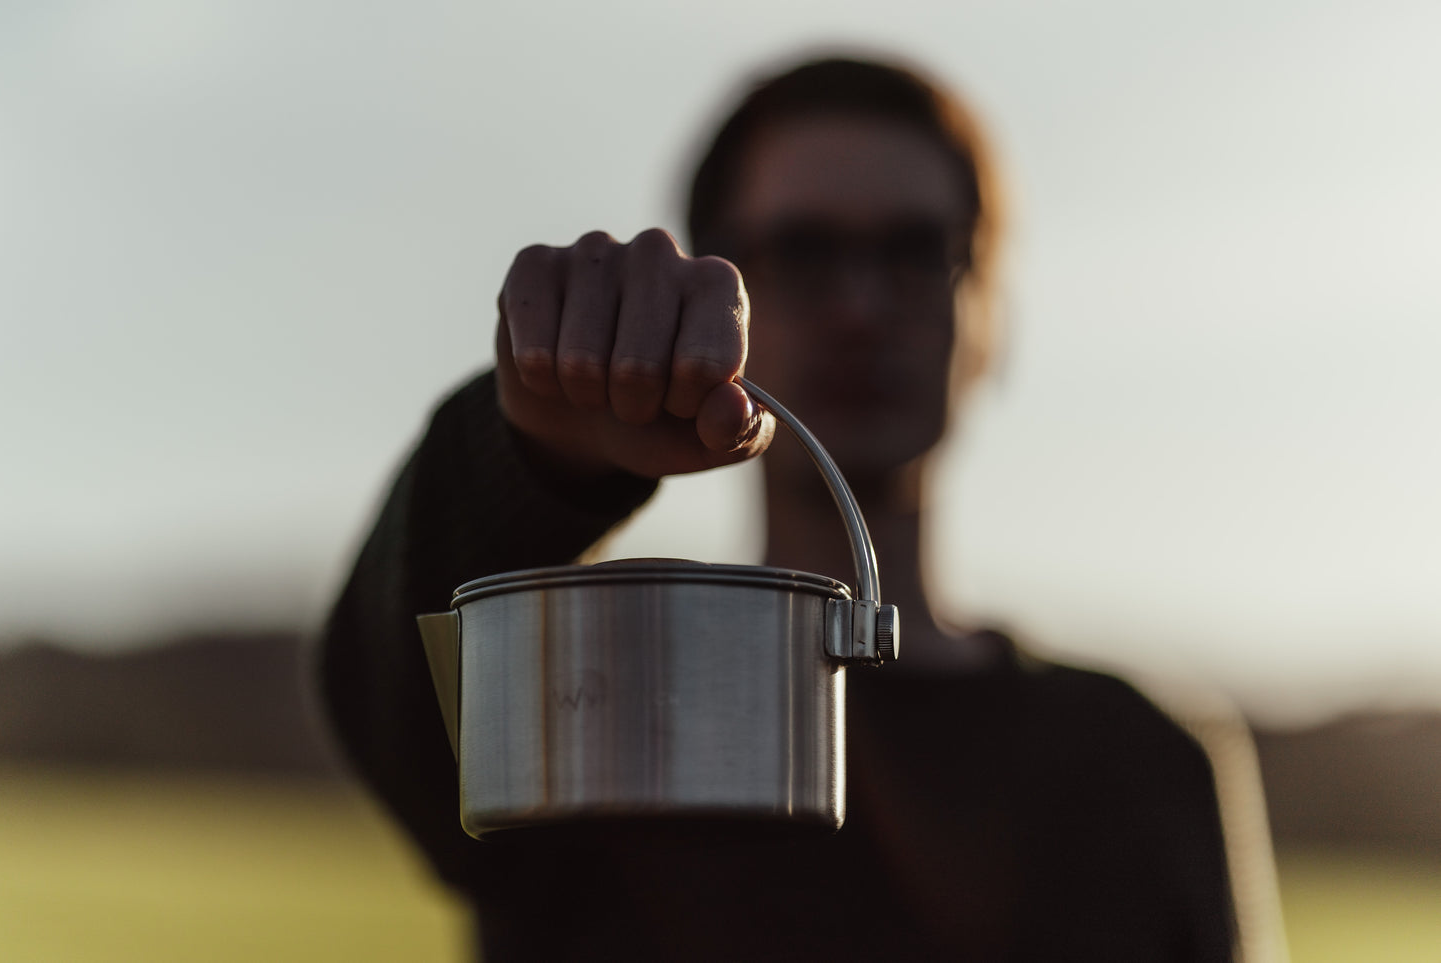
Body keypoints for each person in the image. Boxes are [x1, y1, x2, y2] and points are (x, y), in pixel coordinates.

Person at [320, 56, 1271, 961]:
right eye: (801, 251)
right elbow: (387, 673)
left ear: (988, 318)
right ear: (709, 304)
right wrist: (534, 449)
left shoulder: (1143, 762)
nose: (859, 306)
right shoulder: (601, 696)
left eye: (915, 253)